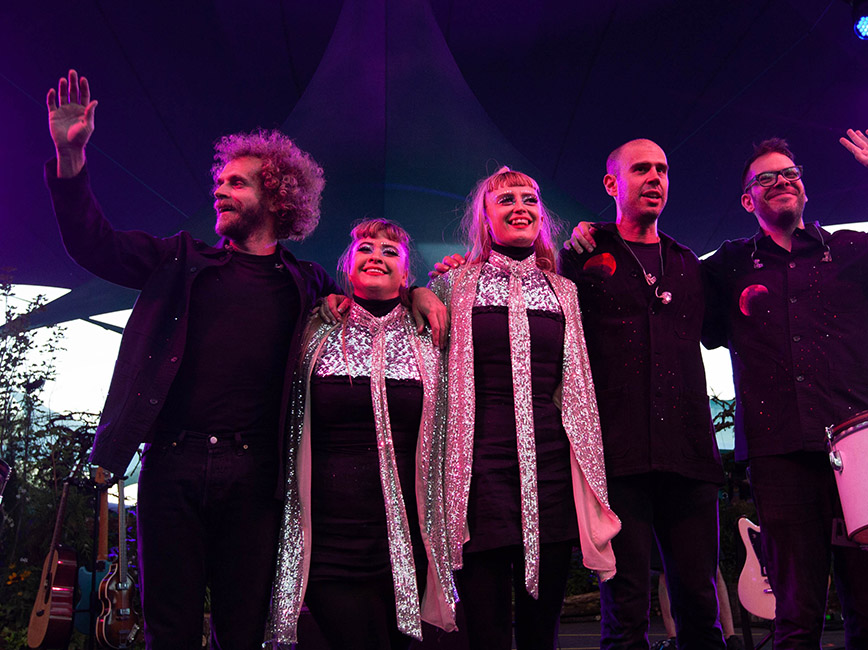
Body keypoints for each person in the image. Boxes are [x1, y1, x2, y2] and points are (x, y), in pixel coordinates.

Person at [44, 69, 447, 648]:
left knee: (243, 629)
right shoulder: (180, 261)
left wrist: (420, 292)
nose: (220, 191)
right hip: (173, 465)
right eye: (220, 182)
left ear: (278, 196)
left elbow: (371, 293)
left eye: (237, 183)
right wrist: (70, 159)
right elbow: (94, 245)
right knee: (170, 629)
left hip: (257, 475)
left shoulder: (307, 283)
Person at [700, 130, 868, 649]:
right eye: (766, 178)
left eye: (790, 174)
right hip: (780, 459)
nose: (782, 181)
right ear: (747, 200)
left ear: (804, 189)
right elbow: (667, 290)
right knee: (795, 618)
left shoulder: (850, 250)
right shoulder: (729, 266)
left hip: (863, 452)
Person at [429, 167, 620, 650]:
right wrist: (418, 291)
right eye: (506, 199)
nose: (520, 207)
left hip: (551, 470)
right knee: (486, 630)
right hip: (478, 474)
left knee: (542, 629)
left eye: (529, 199)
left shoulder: (563, 290)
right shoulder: (455, 285)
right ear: (485, 218)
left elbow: (576, 387)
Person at [560, 139, 726, 650]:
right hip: (618, 456)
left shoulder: (688, 263)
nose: (655, 178)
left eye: (662, 169)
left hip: (688, 456)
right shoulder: (584, 254)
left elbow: (725, 330)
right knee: (625, 607)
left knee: (699, 604)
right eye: (641, 169)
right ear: (612, 184)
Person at [266, 219, 455, 649]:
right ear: (347, 267)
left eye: (390, 252)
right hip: (329, 543)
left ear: (406, 275)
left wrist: (423, 295)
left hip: (407, 544)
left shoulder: (430, 332)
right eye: (365, 249)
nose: (376, 257)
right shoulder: (314, 327)